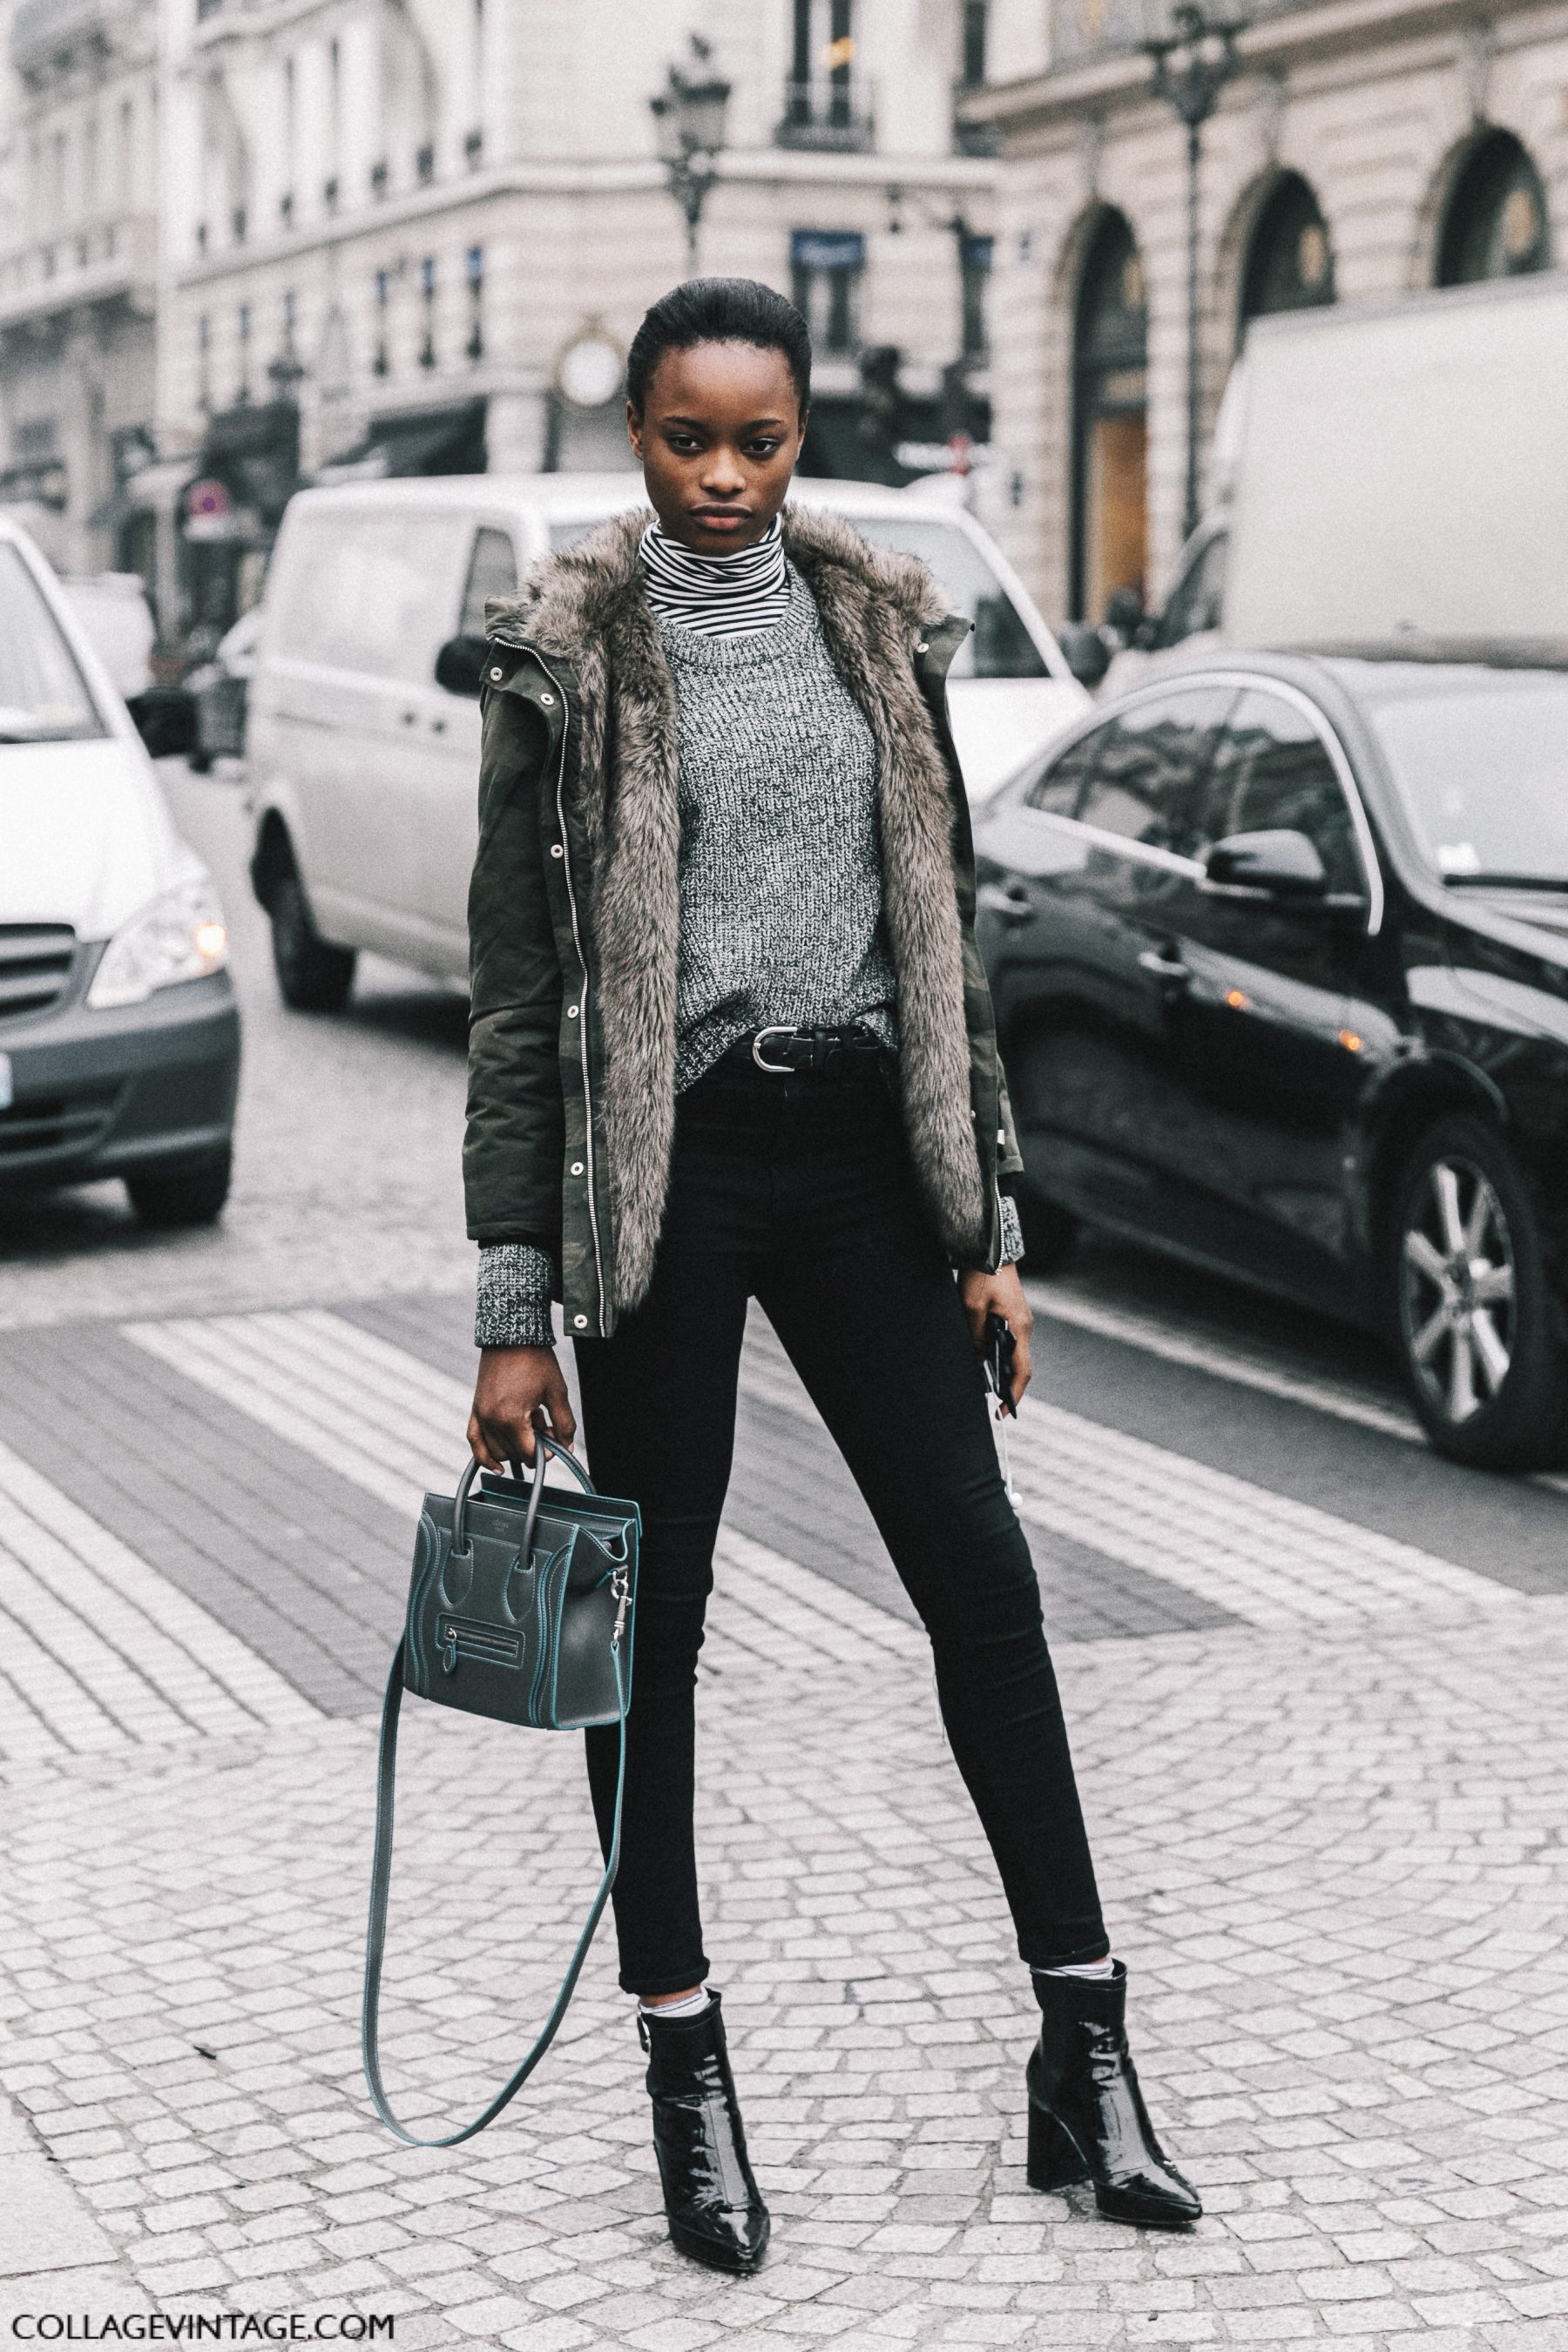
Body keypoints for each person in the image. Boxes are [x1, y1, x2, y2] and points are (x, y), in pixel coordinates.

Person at [463, 277, 1200, 2274]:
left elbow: (938, 931)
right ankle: (683, 2070)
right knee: (651, 1630)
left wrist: (990, 1229)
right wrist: (512, 1310)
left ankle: (1087, 2045)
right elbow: (522, 1013)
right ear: (634, 429)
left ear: (803, 437)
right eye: (688, 437)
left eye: (760, 439)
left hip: (870, 1157)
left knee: (984, 1580)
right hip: (671, 1181)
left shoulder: (876, 626)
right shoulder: (562, 663)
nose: (724, 478)